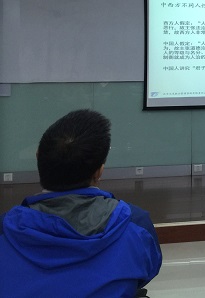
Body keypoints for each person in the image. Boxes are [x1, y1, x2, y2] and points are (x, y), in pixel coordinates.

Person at [0, 109, 162, 298]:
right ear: (99, 172)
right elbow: (145, 273)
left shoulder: (5, 230)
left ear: (38, 157)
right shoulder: (136, 225)